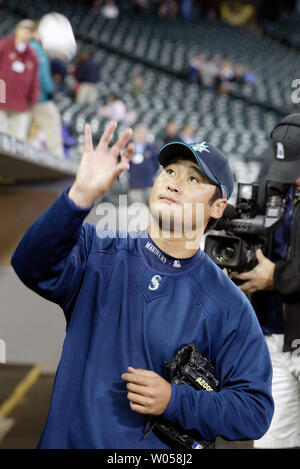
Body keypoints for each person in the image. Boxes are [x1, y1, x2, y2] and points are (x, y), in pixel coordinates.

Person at [11, 121, 274, 449]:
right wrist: (77, 197)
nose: (174, 184)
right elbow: (29, 264)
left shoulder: (229, 303)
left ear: (217, 208)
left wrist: (175, 400)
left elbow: (255, 411)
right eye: (170, 172)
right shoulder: (98, 249)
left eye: (193, 179)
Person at [231, 113, 300, 449]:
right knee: (273, 443)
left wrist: (276, 277)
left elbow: (279, 270)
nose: (293, 180)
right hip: (275, 338)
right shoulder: (275, 190)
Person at [0, 19, 40, 140]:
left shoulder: (32, 55)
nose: (26, 33)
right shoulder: (4, 45)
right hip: (1, 99)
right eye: (24, 29)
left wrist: (32, 102)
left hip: (20, 104)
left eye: (30, 31)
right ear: (16, 30)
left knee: (18, 140)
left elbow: (34, 81)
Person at [29, 23, 64, 158]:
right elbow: (42, 74)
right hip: (37, 97)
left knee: (20, 125)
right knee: (52, 118)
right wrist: (50, 89)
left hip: (21, 97)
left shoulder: (22, 46)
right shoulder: (36, 48)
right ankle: (57, 158)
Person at [128, 124, 159, 205]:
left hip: (148, 183)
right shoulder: (130, 148)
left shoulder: (151, 148)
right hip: (134, 184)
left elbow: (156, 164)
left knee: (151, 207)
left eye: (143, 133)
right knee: (138, 209)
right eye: (139, 133)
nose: (141, 135)